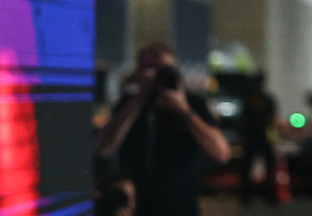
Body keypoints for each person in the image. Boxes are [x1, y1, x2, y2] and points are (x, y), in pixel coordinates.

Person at [95, 41, 230, 216]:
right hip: (138, 208)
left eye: (163, 70)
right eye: (149, 68)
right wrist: (139, 99)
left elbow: (221, 153)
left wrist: (184, 111)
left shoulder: (193, 104)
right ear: (138, 72)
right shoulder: (128, 105)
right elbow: (104, 148)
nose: (157, 77)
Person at [238, 72, 279, 206]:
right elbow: (273, 121)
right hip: (264, 138)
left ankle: (246, 197)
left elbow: (242, 121)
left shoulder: (247, 99)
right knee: (269, 168)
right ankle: (269, 196)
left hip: (250, 138)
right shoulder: (268, 100)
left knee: (246, 168)